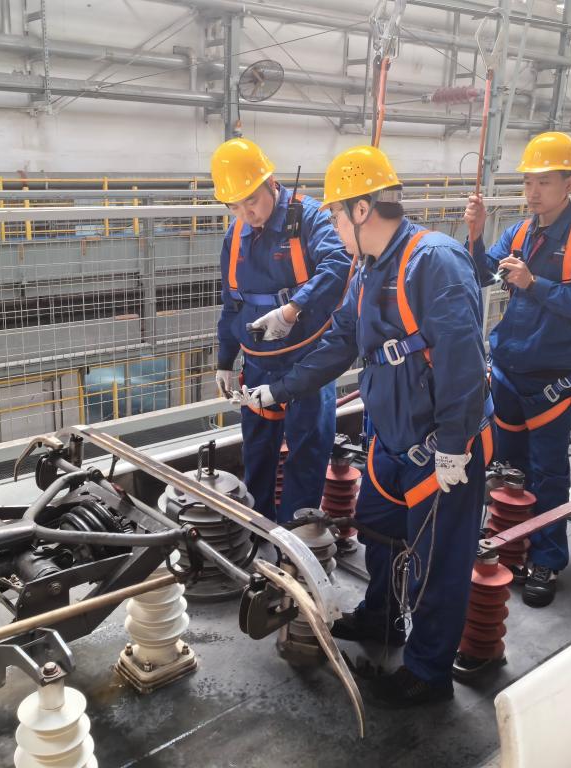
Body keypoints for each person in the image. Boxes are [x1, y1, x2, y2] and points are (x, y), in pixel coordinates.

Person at [241, 145, 492, 707]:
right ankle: (383, 618)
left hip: (438, 448)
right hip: (391, 438)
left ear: (361, 210)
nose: (332, 225)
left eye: (335, 214)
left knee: (438, 561)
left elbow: (463, 361)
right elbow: (340, 341)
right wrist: (279, 389)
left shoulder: (435, 262)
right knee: (380, 531)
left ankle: (427, 672)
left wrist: (455, 446)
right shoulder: (369, 268)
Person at [463, 131, 571, 610]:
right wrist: (475, 235)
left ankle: (547, 558)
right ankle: (506, 543)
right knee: (507, 469)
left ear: (569, 184)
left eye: (544, 182)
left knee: (548, 473)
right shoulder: (519, 233)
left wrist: (533, 283)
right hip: (508, 368)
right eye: (528, 182)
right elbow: (480, 274)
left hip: (551, 377)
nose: (533, 192)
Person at [212, 138, 353, 524]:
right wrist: (224, 360)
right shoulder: (235, 236)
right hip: (258, 364)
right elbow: (232, 303)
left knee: (307, 452)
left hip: (307, 362)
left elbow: (340, 263)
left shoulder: (309, 218)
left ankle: (298, 535)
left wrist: (292, 309)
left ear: (271, 183)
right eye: (235, 206)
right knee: (257, 450)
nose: (247, 213)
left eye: (251, 201)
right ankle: (257, 530)